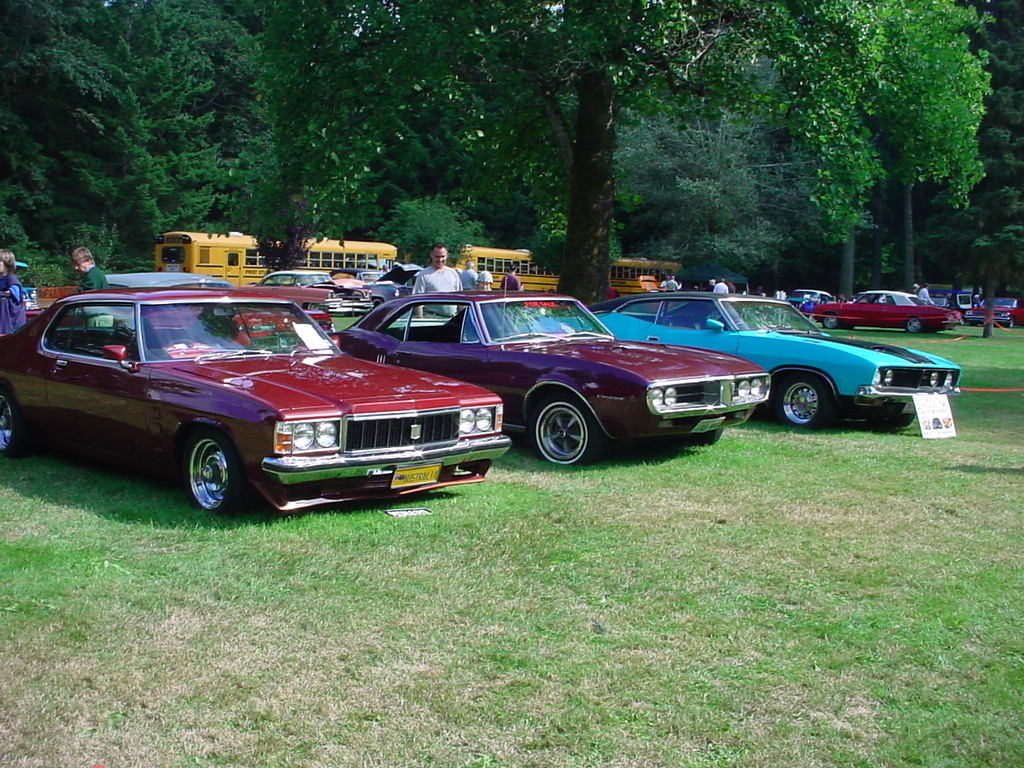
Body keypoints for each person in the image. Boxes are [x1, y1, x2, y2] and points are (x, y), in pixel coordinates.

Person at [0, 249, 28, 334]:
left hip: (11, 322)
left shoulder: (11, 279)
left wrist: (6, 293)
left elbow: (15, 292)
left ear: (7, 263)